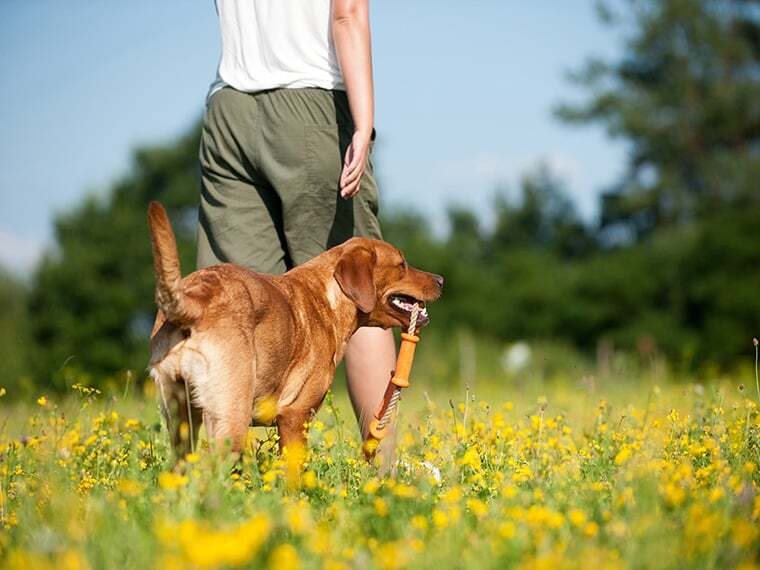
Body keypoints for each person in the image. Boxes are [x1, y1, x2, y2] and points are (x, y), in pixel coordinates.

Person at [196, 0, 397, 463]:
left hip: (229, 112)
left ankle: (228, 480)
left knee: (236, 304)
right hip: (312, 103)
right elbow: (347, 15)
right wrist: (363, 124)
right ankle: (383, 471)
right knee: (362, 289)